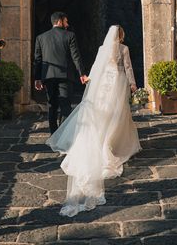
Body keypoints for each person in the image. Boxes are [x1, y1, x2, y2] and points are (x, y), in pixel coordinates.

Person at [47, 25, 141, 217]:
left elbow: (96, 67)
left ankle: (104, 140)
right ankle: (112, 143)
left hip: (104, 83)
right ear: (121, 35)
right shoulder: (124, 49)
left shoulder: (101, 49)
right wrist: (132, 84)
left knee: (103, 113)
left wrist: (91, 80)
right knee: (118, 114)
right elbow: (128, 66)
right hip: (118, 81)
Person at [34, 12, 88, 134]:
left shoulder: (41, 38)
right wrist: (82, 74)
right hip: (65, 76)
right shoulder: (70, 36)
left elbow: (37, 60)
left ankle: (54, 134)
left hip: (48, 77)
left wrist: (37, 78)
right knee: (65, 106)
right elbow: (76, 57)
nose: (67, 24)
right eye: (66, 21)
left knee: (52, 105)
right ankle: (62, 135)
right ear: (59, 21)